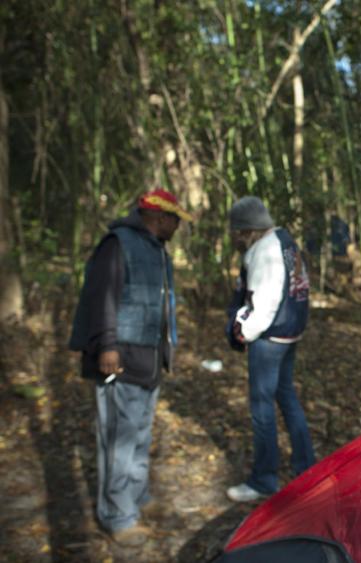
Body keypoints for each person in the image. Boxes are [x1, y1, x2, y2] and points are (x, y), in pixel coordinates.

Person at [68, 188, 191, 546]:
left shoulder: (158, 251)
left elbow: (159, 306)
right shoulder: (117, 244)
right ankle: (118, 514)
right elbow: (102, 296)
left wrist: (169, 347)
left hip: (148, 359)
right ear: (158, 217)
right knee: (118, 439)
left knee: (139, 434)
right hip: (120, 358)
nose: (178, 226)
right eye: (175, 219)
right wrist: (107, 344)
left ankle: (136, 496)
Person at [225, 196, 315, 502]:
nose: (235, 239)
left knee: (261, 408)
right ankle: (307, 469)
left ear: (247, 230)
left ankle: (264, 480)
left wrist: (243, 332)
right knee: (287, 397)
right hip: (290, 333)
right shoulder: (286, 241)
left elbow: (264, 302)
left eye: (237, 233)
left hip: (269, 338)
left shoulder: (264, 251)